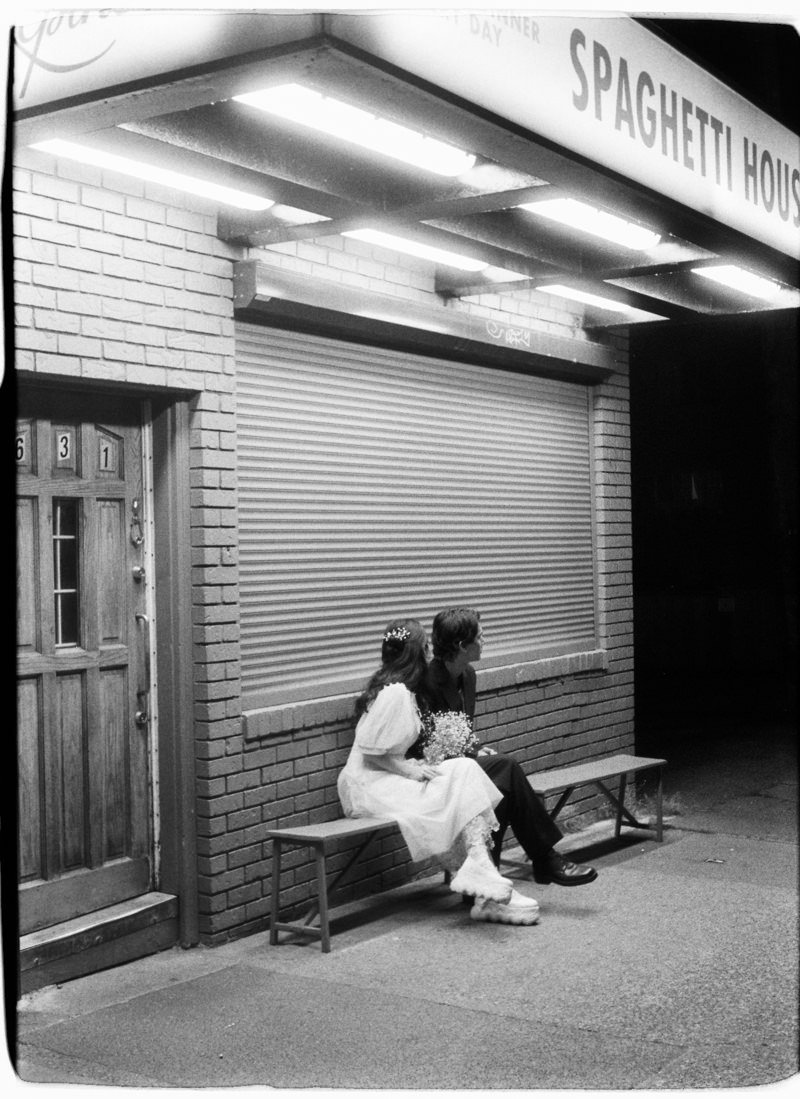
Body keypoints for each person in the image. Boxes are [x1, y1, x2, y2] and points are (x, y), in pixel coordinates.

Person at [338, 618, 540, 925]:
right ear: (418, 652)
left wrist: (415, 765)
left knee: (464, 768)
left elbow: (387, 750)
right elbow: (369, 751)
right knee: (449, 789)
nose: (430, 653)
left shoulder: (402, 690)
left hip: (387, 775)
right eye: (426, 647)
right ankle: (483, 882)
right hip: (368, 785)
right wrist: (408, 770)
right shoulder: (394, 692)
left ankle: (480, 869)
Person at [417, 608, 598, 888]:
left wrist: (476, 749)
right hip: (429, 770)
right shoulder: (427, 682)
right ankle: (544, 860)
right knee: (507, 768)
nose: (485, 640)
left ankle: (487, 881)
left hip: (461, 764)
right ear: (462, 646)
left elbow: (460, 728)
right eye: (480, 636)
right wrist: (470, 753)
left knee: (502, 787)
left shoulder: (468, 675)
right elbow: (425, 741)